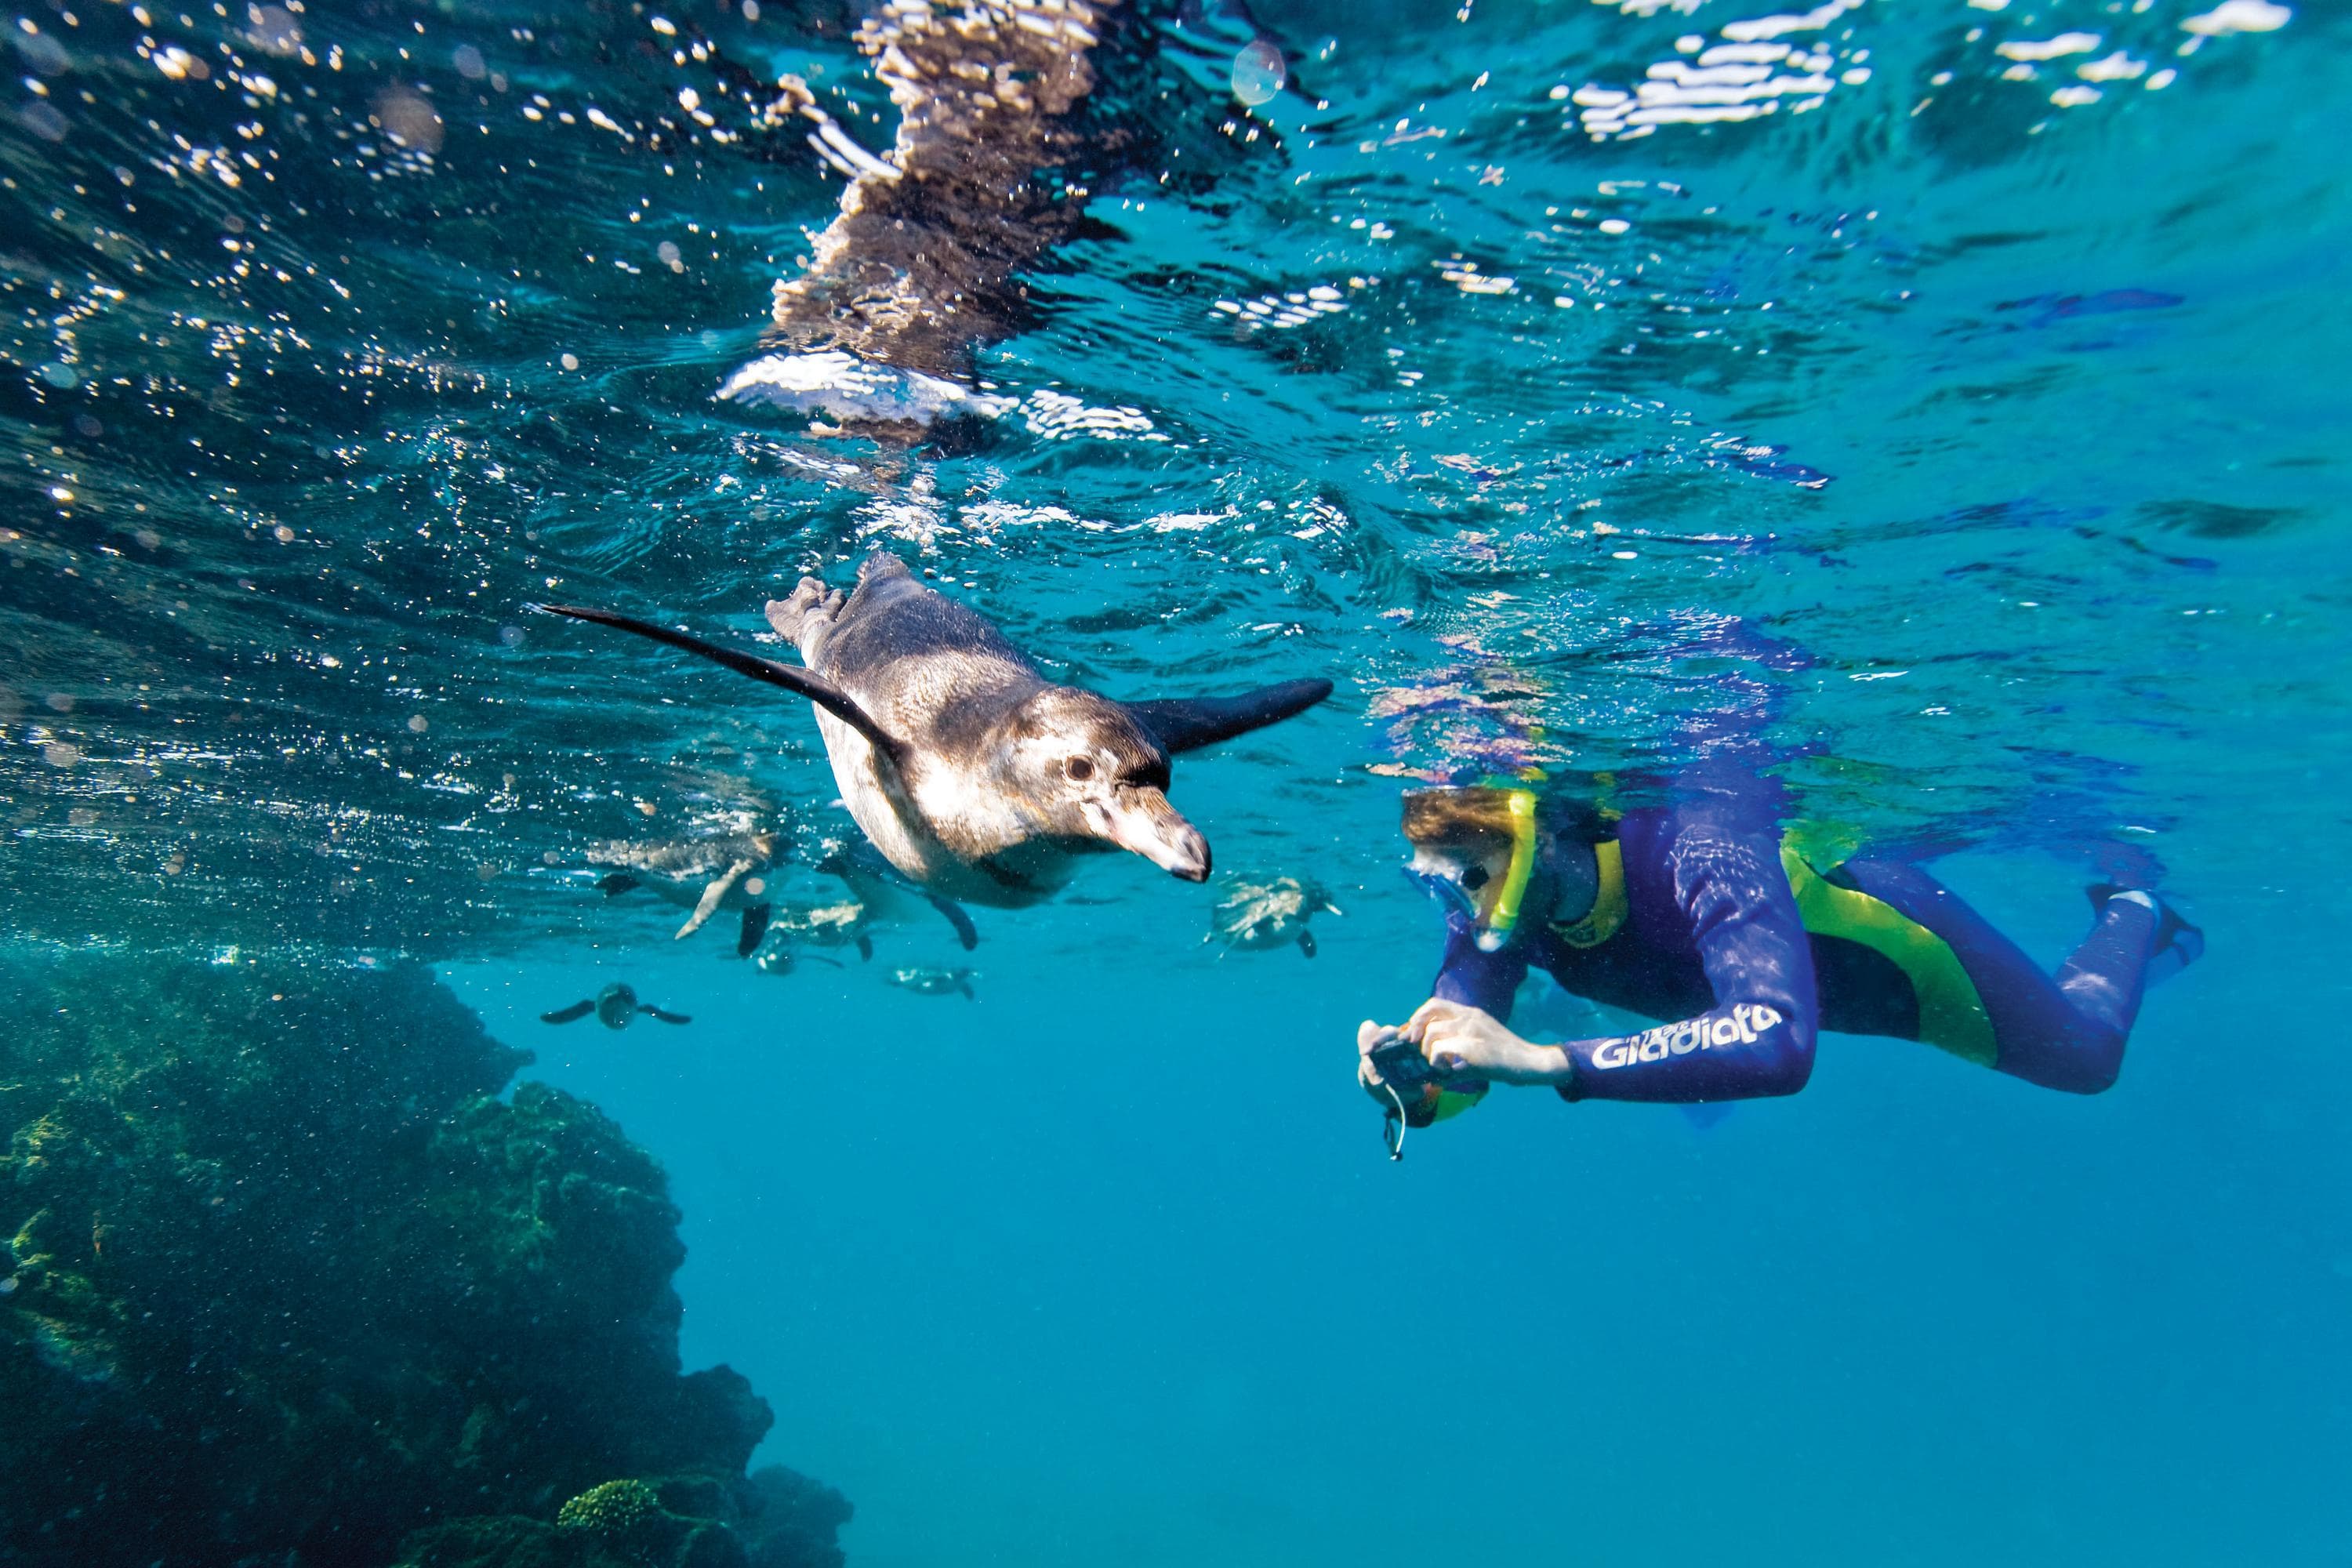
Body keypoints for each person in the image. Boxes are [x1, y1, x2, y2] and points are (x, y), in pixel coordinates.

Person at [1357, 782, 2202, 1131]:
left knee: (2088, 1056)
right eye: (1440, 885)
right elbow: (1464, 1035)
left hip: (1907, 961)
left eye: (1467, 875)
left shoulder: (1701, 844)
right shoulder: (1506, 907)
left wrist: (1550, 1059)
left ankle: (2137, 907)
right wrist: (1421, 1083)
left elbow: (1775, 1038)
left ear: (1537, 838)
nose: (1461, 908)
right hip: (1824, 994)